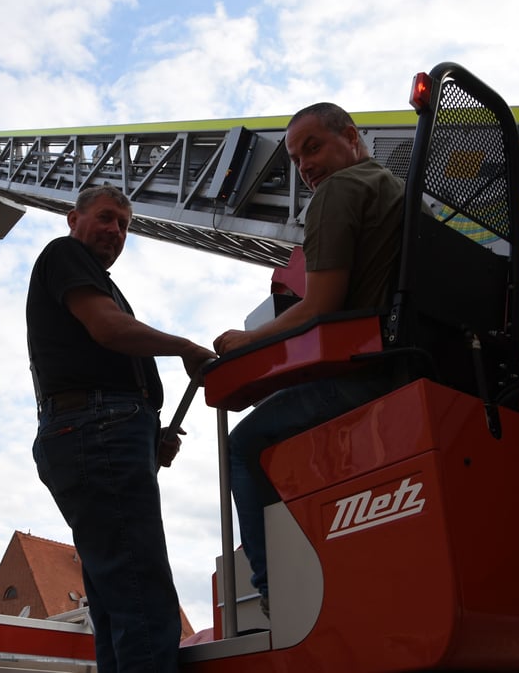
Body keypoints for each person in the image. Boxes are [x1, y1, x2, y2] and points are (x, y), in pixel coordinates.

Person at [214, 102, 423, 613]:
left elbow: (320, 307)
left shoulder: (339, 191)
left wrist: (247, 343)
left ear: (350, 136)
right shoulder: (399, 192)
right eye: (294, 158)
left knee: (241, 446)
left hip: (364, 376)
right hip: (406, 365)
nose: (304, 166)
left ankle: (274, 589)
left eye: (313, 147)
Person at [28, 185, 216, 672]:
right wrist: (187, 348)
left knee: (117, 594)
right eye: (107, 218)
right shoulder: (65, 254)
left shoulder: (91, 280)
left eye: (125, 225)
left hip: (94, 431)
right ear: (74, 218)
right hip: (98, 429)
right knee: (140, 589)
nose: (116, 231)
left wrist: (149, 431)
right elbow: (109, 329)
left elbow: (105, 345)